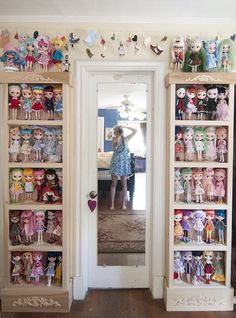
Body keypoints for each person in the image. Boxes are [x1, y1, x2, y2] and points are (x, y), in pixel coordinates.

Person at [109, 125, 137, 210]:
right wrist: (117, 142)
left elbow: (135, 130)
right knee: (114, 183)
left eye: (118, 131)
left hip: (124, 163)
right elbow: (114, 149)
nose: (116, 133)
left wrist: (124, 126)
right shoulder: (114, 139)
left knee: (124, 184)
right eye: (116, 131)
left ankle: (123, 204)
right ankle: (112, 204)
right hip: (115, 163)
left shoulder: (126, 139)